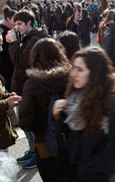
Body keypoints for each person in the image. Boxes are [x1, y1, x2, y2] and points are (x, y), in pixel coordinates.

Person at [51, 47, 115, 182]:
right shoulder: (75, 98)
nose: (73, 74)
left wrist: (92, 164)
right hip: (78, 173)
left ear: (95, 73)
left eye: (80, 70)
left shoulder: (113, 104)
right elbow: (67, 142)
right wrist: (58, 118)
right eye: (73, 68)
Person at [18, 38, 71, 181]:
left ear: (34, 56)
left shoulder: (32, 82)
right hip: (71, 141)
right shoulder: (71, 77)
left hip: (44, 144)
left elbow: (26, 123)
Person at [6, 9, 49, 168]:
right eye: (15, 24)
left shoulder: (35, 39)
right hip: (24, 86)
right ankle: (32, 150)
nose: (16, 27)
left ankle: (37, 154)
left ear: (29, 23)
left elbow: (21, 61)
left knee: (30, 123)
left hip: (31, 88)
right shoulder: (26, 37)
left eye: (19, 24)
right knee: (25, 121)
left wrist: (13, 43)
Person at [0, 7, 16, 91]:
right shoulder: (2, 30)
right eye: (14, 19)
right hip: (5, 63)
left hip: (10, 63)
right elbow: (2, 49)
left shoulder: (11, 29)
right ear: (8, 19)